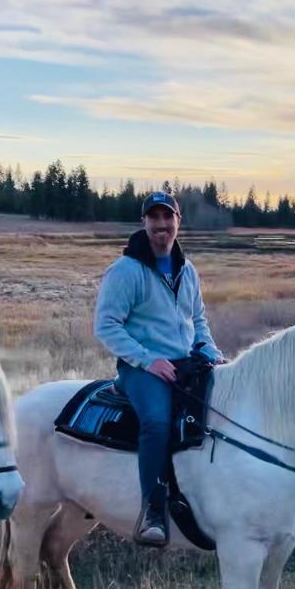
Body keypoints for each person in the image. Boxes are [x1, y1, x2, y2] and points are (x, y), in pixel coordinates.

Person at [93, 192, 223, 547]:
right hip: (142, 368)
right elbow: (106, 325)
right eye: (154, 218)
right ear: (144, 223)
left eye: (168, 218)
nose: (161, 225)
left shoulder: (187, 269)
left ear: (178, 220)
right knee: (156, 421)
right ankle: (153, 508)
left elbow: (196, 320)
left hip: (184, 362)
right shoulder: (126, 271)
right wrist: (148, 361)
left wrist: (212, 354)